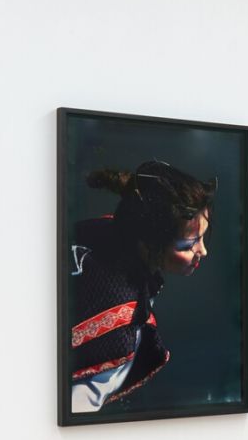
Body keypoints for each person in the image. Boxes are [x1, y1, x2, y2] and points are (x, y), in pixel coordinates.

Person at [68, 161, 214, 413]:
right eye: (187, 245)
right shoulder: (122, 331)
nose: (203, 251)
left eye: (202, 238)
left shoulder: (107, 227)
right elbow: (77, 405)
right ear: (148, 244)